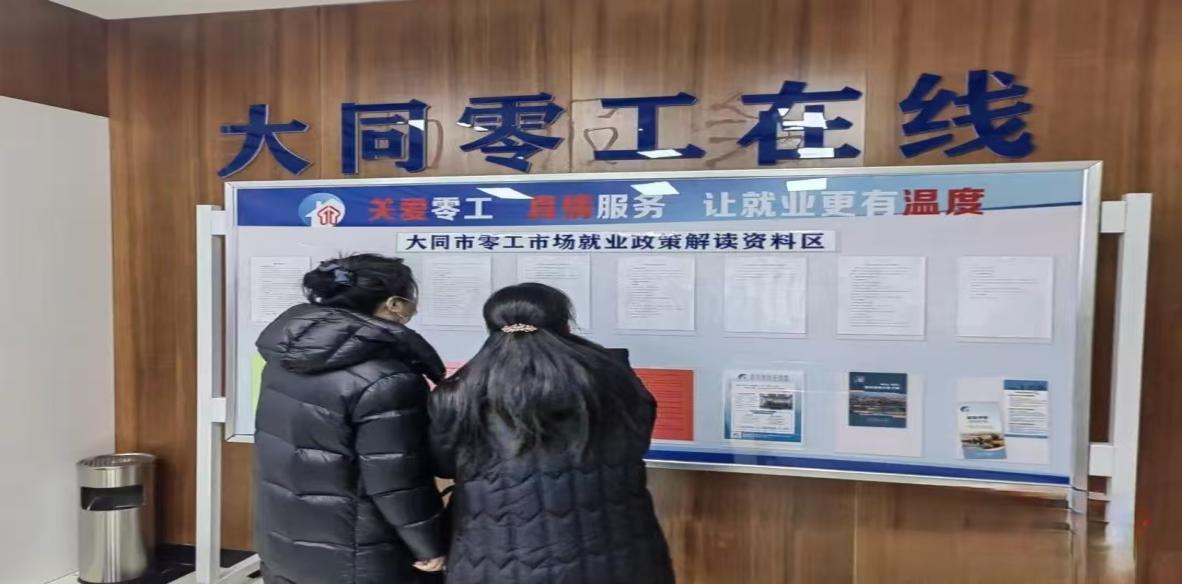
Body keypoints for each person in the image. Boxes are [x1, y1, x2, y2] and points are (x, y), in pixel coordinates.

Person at [430, 283, 675, 584]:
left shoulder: (458, 393)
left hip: (497, 555)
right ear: (565, 325)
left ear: (490, 328)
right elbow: (638, 439)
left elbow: (444, 465)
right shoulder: (612, 379)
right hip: (617, 549)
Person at [254, 254, 447, 584]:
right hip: (359, 551)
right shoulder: (386, 378)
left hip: (284, 539)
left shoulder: (286, 358)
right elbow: (397, 480)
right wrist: (429, 545)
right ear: (395, 304)